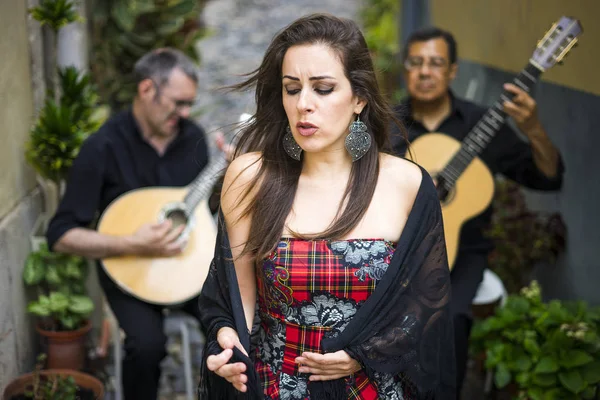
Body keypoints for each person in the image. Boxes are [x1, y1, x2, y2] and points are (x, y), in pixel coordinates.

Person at [197, 14, 456, 400]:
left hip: (374, 389)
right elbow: (237, 302)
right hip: (275, 388)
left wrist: (364, 353)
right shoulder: (250, 177)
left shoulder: (406, 184)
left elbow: (426, 307)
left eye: (322, 89)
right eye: (291, 88)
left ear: (359, 98)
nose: (303, 104)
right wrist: (228, 343)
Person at [46, 48, 229, 400]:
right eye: (178, 103)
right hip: (129, 271)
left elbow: (201, 211)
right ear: (147, 90)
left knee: (230, 329)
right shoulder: (102, 148)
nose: (186, 113)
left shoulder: (191, 138)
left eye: (190, 103)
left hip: (186, 268)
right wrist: (132, 243)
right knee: (147, 347)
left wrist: (227, 177)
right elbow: (60, 235)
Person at [390, 27, 565, 397]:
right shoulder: (386, 124)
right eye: (416, 62)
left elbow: (548, 178)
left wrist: (532, 128)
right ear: (405, 69)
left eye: (436, 63)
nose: (425, 71)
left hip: (462, 253)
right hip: (395, 249)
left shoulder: (482, 124)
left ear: (453, 71)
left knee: (449, 320)